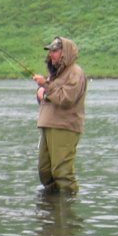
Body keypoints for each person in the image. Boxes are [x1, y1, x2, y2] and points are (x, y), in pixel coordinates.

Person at [32, 35, 87, 194]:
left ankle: (68, 208)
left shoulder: (75, 73)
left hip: (65, 127)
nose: (51, 54)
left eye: (55, 51)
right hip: (48, 124)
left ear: (65, 52)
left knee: (62, 172)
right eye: (50, 51)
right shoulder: (55, 74)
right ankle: (53, 209)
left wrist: (46, 87)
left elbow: (66, 98)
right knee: (45, 171)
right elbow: (49, 96)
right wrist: (41, 92)